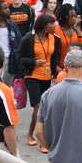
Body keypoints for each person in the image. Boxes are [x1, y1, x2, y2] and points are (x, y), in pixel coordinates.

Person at [19, 14, 60, 152]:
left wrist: (55, 74)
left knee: (44, 107)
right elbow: (20, 58)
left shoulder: (55, 39)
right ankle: (42, 139)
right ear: (43, 26)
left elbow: (55, 59)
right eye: (52, 24)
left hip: (47, 76)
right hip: (32, 75)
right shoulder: (28, 39)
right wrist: (34, 62)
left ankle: (30, 132)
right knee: (38, 106)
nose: (54, 26)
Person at [0, 0, 21, 86]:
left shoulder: (12, 25)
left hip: (11, 60)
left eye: (8, 7)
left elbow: (19, 41)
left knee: (7, 86)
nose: (8, 10)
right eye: (5, 8)